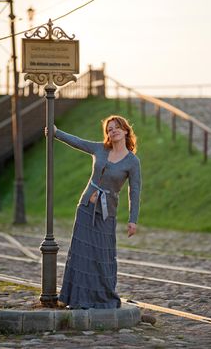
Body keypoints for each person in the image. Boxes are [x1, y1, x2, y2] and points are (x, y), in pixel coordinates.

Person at [46, 115, 141, 309]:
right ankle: (76, 299)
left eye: (116, 128)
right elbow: (79, 142)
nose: (112, 131)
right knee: (81, 253)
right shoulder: (100, 149)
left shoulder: (133, 162)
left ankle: (102, 296)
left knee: (102, 255)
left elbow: (135, 191)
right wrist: (56, 133)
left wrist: (133, 220)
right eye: (109, 129)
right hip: (86, 208)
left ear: (125, 131)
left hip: (107, 213)